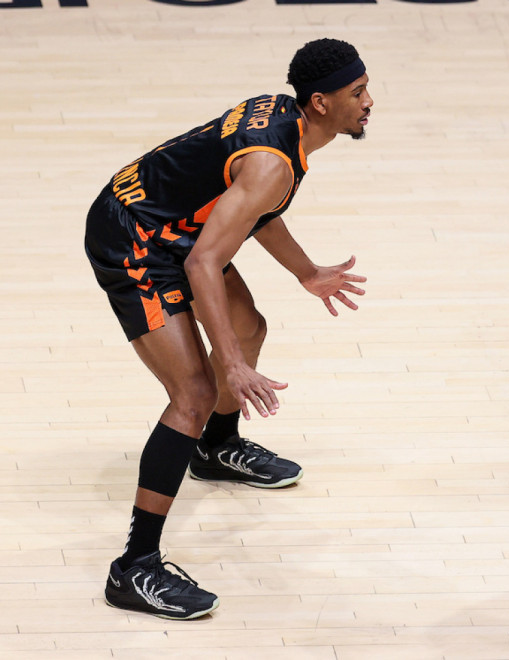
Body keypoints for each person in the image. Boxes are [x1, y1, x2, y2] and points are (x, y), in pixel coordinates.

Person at [85, 37, 372, 619]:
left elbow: (251, 211)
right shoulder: (272, 162)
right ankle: (134, 567)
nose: (369, 102)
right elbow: (203, 262)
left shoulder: (285, 125)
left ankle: (215, 449)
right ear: (320, 102)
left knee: (248, 327)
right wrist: (233, 367)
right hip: (135, 238)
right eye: (357, 92)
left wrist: (306, 273)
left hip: (172, 226)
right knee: (193, 393)